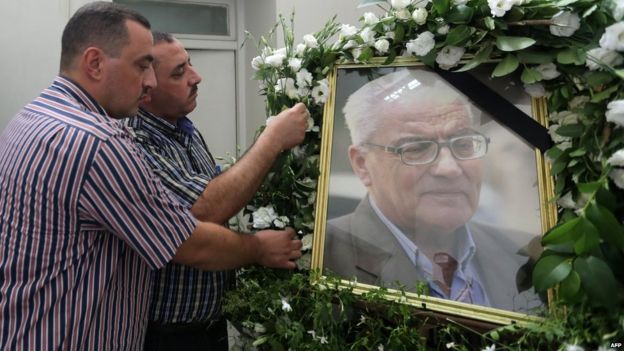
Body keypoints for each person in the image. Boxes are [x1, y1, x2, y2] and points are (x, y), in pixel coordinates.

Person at [0, 3, 303, 350]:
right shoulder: (98, 142)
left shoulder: (33, 117)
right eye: (142, 65)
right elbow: (187, 240)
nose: (149, 81)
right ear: (95, 63)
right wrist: (257, 247)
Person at [122, 32, 309, 350]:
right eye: (179, 73)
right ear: (146, 90)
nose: (196, 77)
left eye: (190, 64)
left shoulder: (183, 129)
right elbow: (205, 209)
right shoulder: (136, 142)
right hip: (168, 334)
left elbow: (215, 190)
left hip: (208, 325)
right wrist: (272, 139)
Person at [323, 68, 541, 312]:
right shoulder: (319, 256)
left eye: (463, 143)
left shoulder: (526, 254)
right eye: (416, 148)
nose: (449, 168)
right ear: (362, 164)